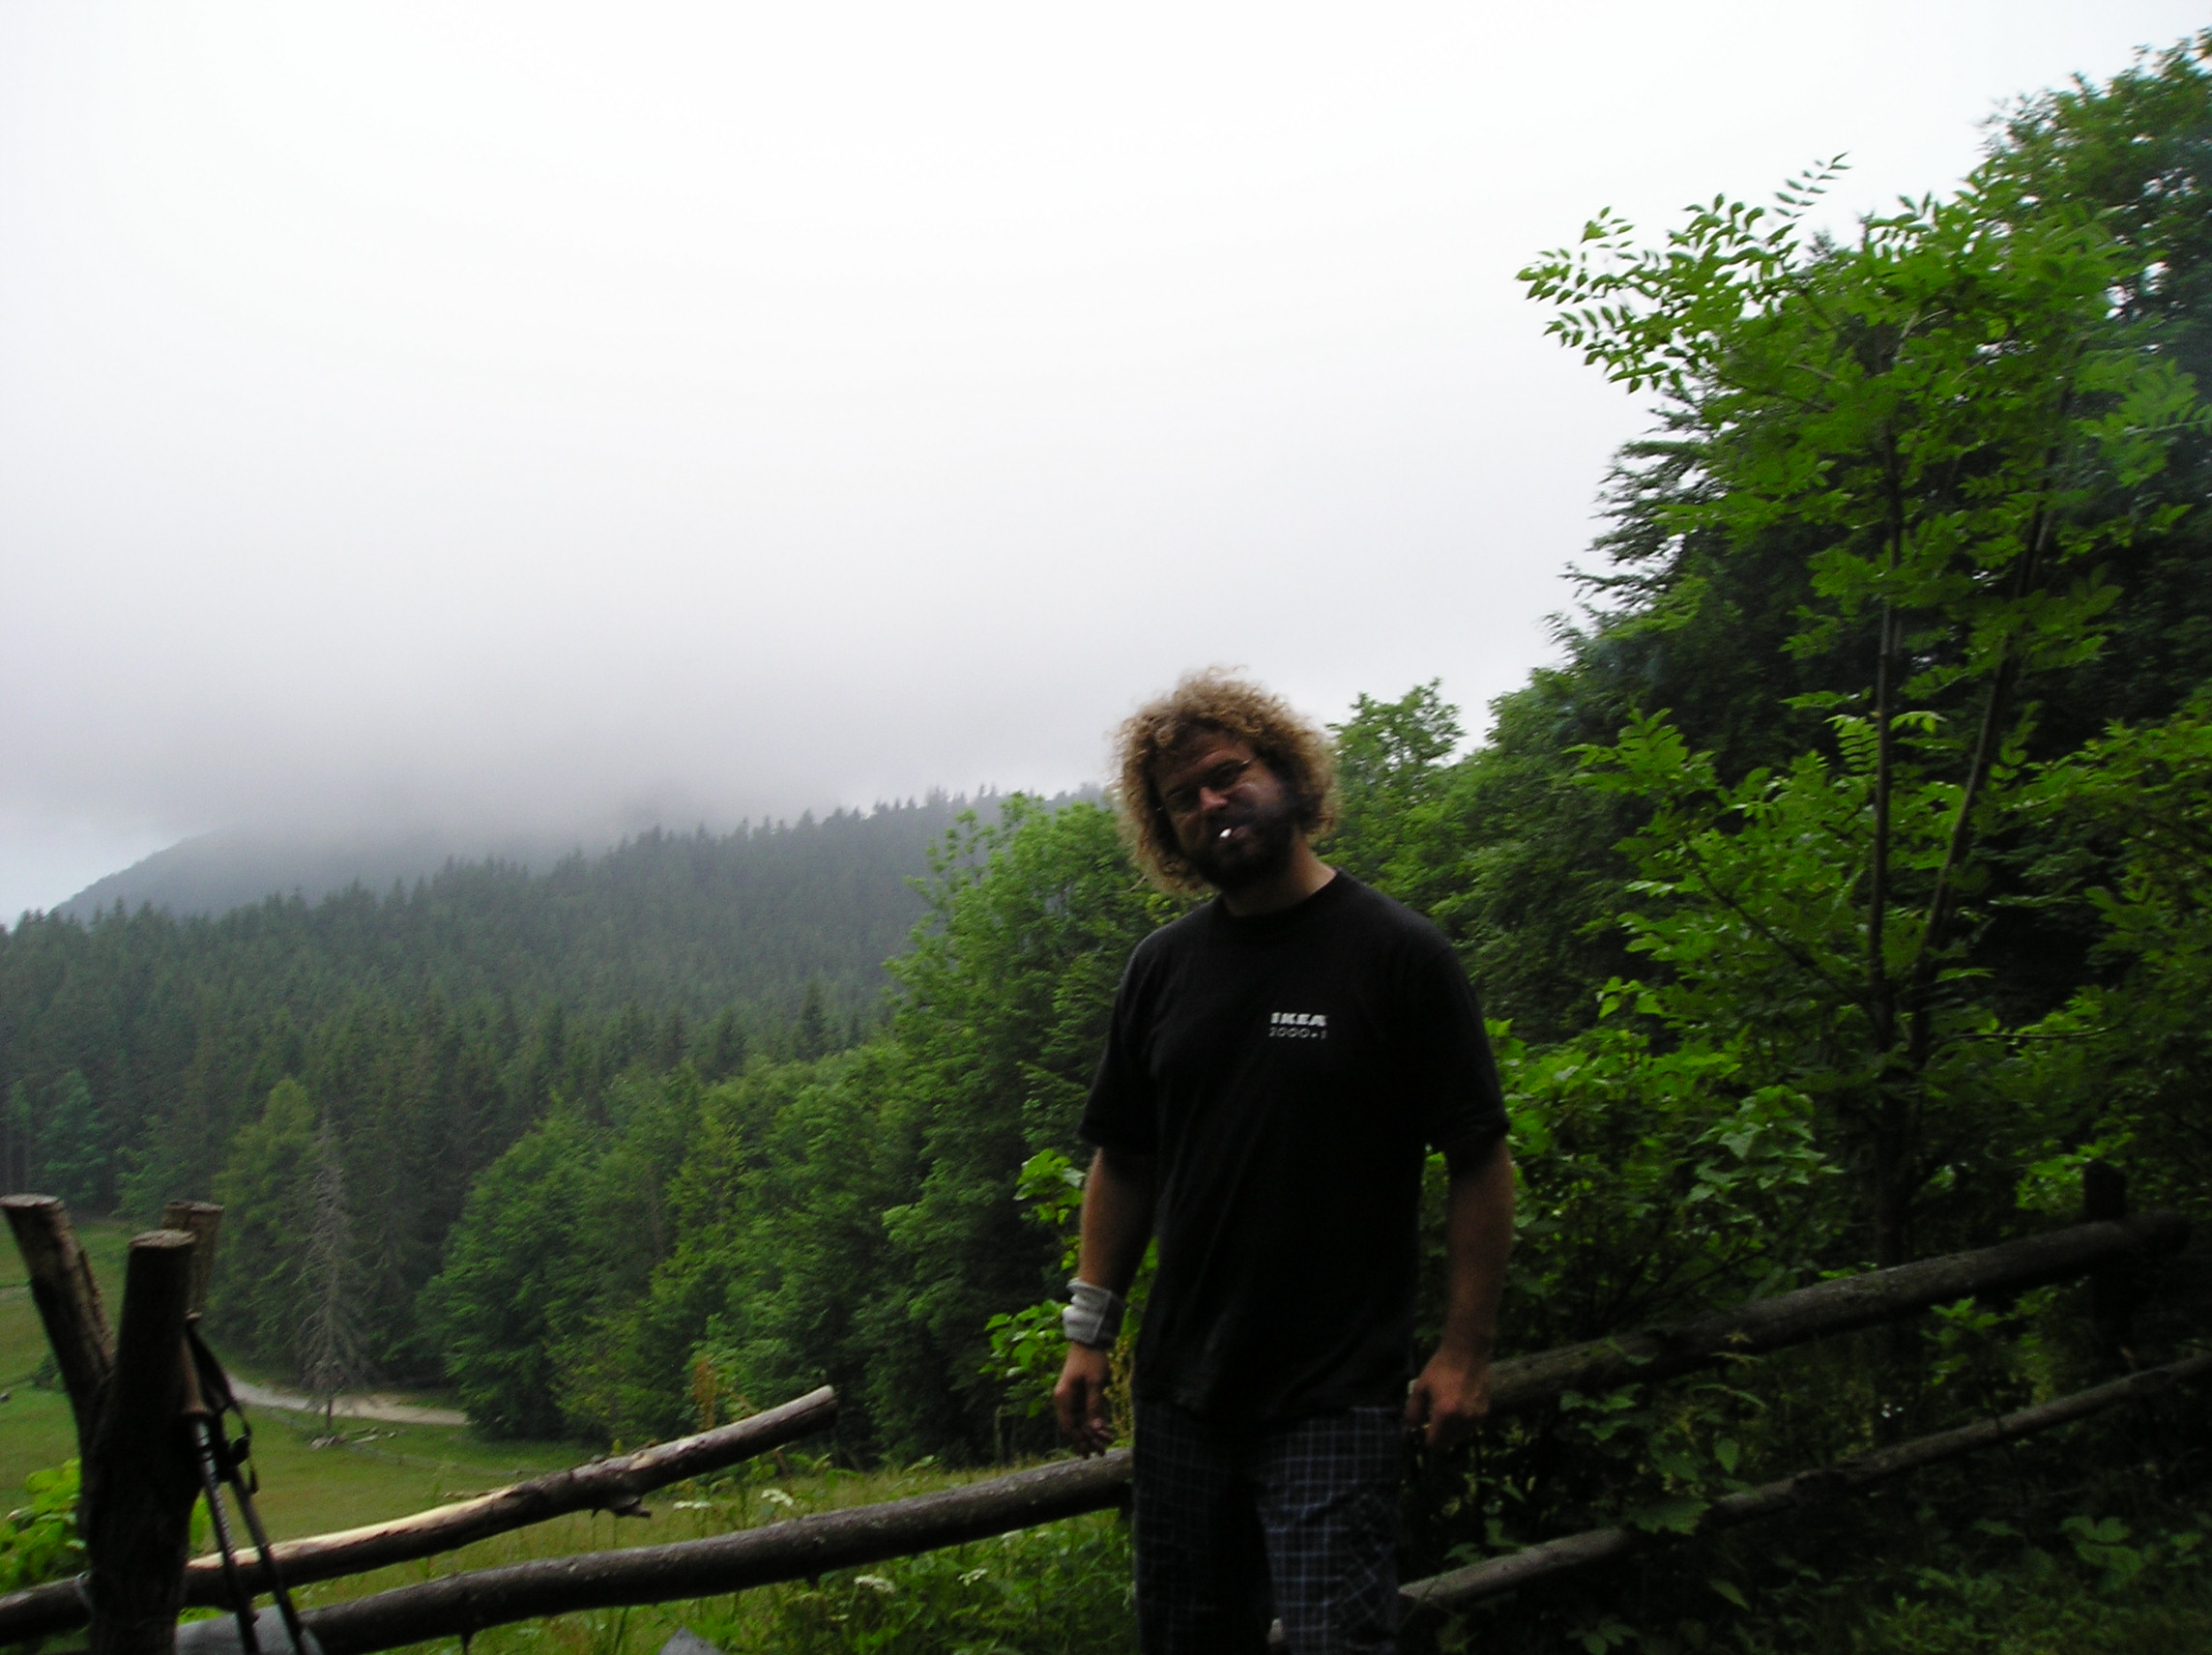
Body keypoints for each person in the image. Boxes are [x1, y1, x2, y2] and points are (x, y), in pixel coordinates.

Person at [1055, 671, 1514, 1655]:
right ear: (1165, 831)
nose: (1210, 802)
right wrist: (1088, 1333)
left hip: (1335, 1393)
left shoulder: (1398, 954)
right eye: (1181, 798)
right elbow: (1124, 1160)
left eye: (1227, 774)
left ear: (1291, 774)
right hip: (1182, 1396)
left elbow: (1478, 1156)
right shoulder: (1161, 969)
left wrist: (1464, 1350)